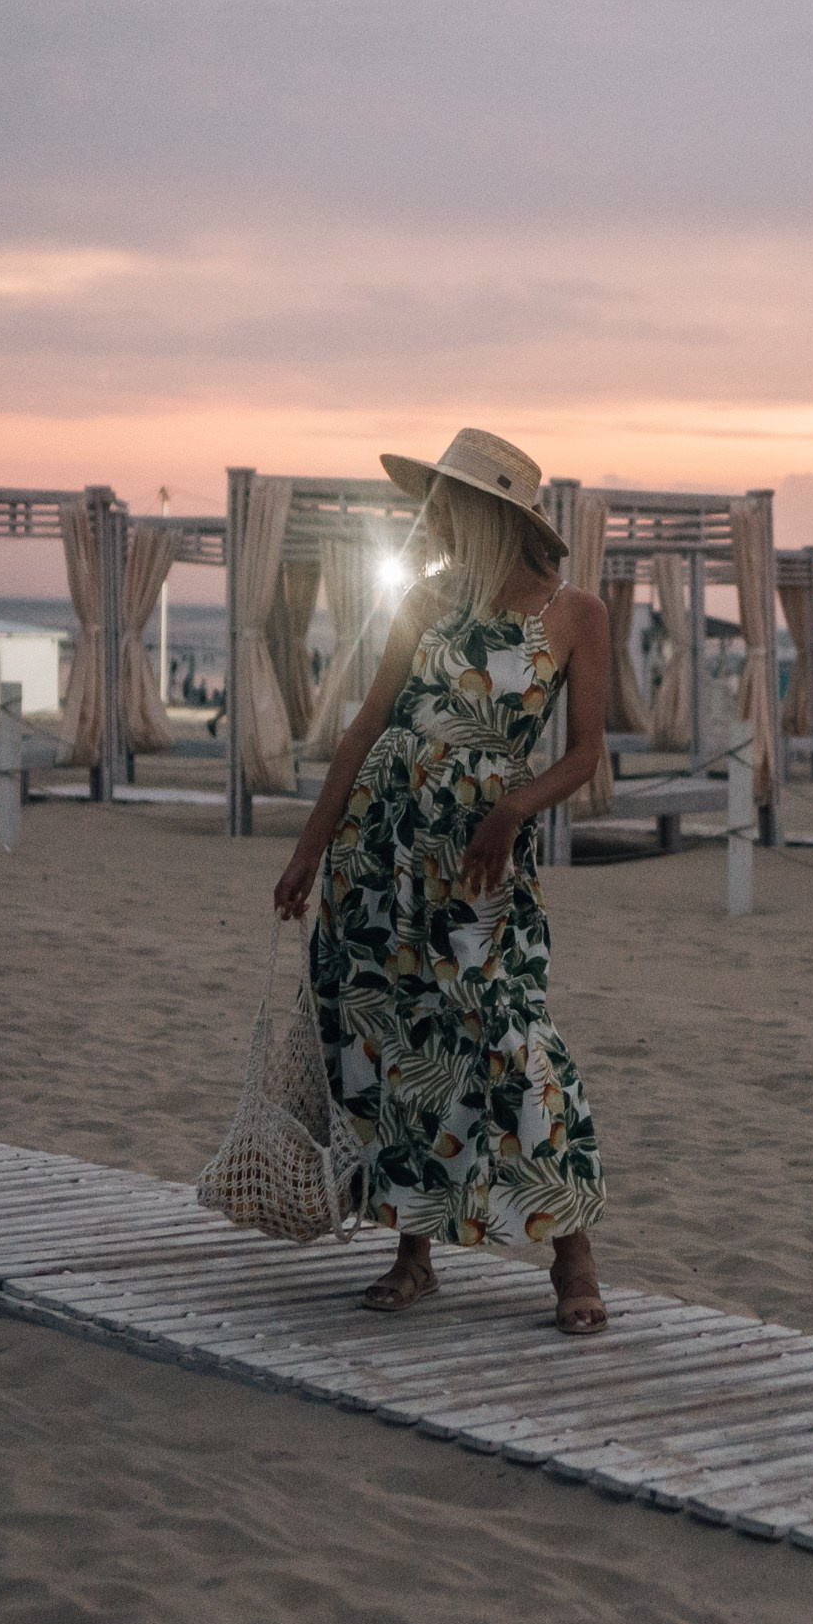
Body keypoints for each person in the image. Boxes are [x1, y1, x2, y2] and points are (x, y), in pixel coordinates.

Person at [273, 429, 613, 1335]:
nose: (438, 519)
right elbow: (364, 726)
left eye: (454, 504)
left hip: (479, 860)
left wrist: (512, 809)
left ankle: (571, 1256)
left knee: (512, 1036)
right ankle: (412, 1253)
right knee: (388, 1042)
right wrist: (311, 847)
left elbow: (585, 753)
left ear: (498, 514)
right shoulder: (425, 599)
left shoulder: (576, 613)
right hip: (381, 853)